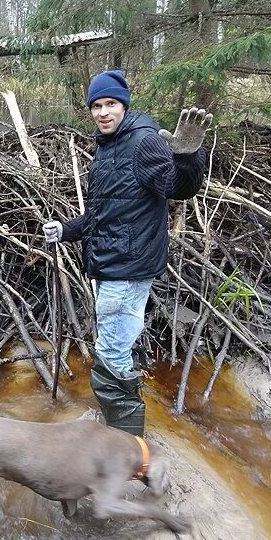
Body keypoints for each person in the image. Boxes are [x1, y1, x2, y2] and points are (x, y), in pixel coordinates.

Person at [43, 70, 211, 436]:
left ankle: (128, 441)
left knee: (113, 347)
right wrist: (68, 230)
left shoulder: (142, 140)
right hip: (109, 262)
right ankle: (123, 429)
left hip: (128, 266)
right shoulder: (108, 147)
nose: (103, 112)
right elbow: (106, 212)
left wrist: (187, 156)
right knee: (112, 342)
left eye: (111, 104)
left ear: (124, 106)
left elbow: (178, 188)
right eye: (97, 106)